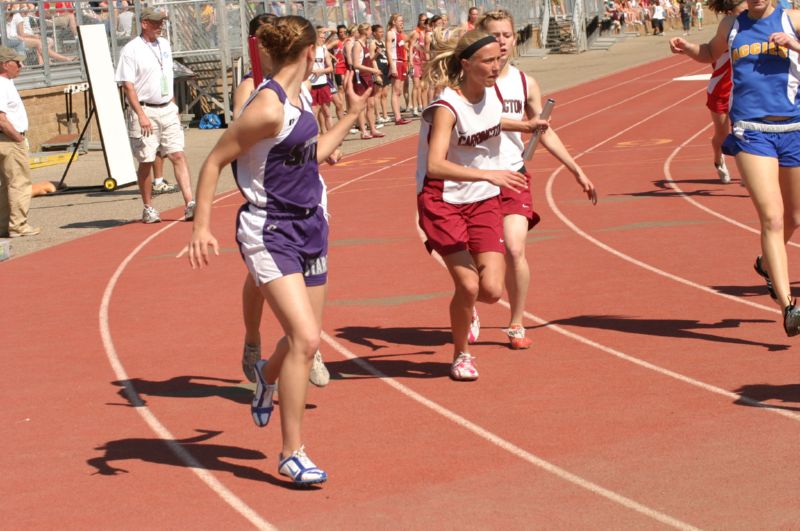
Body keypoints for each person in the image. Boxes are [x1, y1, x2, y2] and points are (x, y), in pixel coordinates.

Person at [189, 15, 371, 485]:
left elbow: (312, 153)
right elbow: (213, 161)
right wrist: (201, 226)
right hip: (270, 229)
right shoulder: (267, 107)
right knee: (307, 341)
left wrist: (352, 114)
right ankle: (293, 453)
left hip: (312, 224)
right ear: (310, 53)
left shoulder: (300, 96)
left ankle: (267, 377)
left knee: (298, 338)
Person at [416, 29, 543, 380]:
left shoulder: (490, 96)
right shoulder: (446, 106)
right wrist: (489, 175)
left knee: (491, 290)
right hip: (446, 201)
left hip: (482, 202)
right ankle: (461, 355)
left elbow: (491, 120)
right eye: (488, 61)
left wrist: (526, 124)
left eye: (498, 59)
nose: (496, 66)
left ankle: (468, 303)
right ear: (466, 64)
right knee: (469, 286)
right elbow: (435, 164)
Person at [669, 0, 800, 335]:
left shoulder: (792, 19)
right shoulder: (732, 25)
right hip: (751, 131)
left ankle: (765, 263)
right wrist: (688, 49)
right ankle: (788, 306)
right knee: (771, 216)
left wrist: (795, 45)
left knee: (795, 218)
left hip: (793, 130)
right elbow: (710, 53)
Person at [479, 10, 596, 350]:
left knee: (515, 248)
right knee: (484, 269)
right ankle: (470, 306)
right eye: (494, 35)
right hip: (477, 179)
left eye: (507, 35)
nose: (501, 41)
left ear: (515, 39)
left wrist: (576, 170)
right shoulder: (471, 81)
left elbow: (542, 130)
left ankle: (515, 323)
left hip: (514, 176)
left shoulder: (525, 83)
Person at [232, 13, 331, 388]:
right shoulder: (253, 89)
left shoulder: (300, 81)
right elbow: (243, 142)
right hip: (271, 202)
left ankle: (308, 342)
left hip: (309, 192)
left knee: (309, 270)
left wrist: (317, 148)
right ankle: (256, 337)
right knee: (259, 277)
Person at [114, 8, 195, 224]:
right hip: (145, 108)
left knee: (177, 154)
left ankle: (190, 203)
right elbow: (127, 86)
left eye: (162, 22)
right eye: (156, 22)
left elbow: (167, 77)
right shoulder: (131, 50)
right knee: (147, 160)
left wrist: (174, 105)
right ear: (144, 23)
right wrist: (140, 114)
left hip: (167, 107)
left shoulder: (164, 45)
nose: (161, 26)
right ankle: (148, 206)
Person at [0, 46, 39, 238]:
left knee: (7, 184)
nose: (21, 65)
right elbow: (1, 118)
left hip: (9, 138)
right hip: (10, 140)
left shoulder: (7, 83)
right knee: (19, 183)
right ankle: (18, 225)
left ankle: (5, 224)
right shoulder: (1, 84)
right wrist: (17, 137)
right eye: (17, 62)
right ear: (5, 65)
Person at [386, 13, 412, 125]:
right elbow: (388, 50)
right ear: (394, 22)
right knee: (396, 91)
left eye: (402, 21)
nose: (402, 23)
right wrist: (392, 67)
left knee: (399, 91)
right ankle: (397, 118)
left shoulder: (400, 34)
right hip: (395, 62)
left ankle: (399, 116)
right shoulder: (390, 34)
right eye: (400, 21)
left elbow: (407, 43)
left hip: (402, 63)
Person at [370, 24, 391, 124]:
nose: (382, 33)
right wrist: (376, 72)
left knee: (385, 94)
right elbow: (371, 59)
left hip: (385, 69)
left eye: (382, 31)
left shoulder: (382, 42)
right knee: (377, 94)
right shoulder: (373, 43)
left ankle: (385, 115)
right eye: (379, 32)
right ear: (374, 33)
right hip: (378, 69)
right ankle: (377, 116)